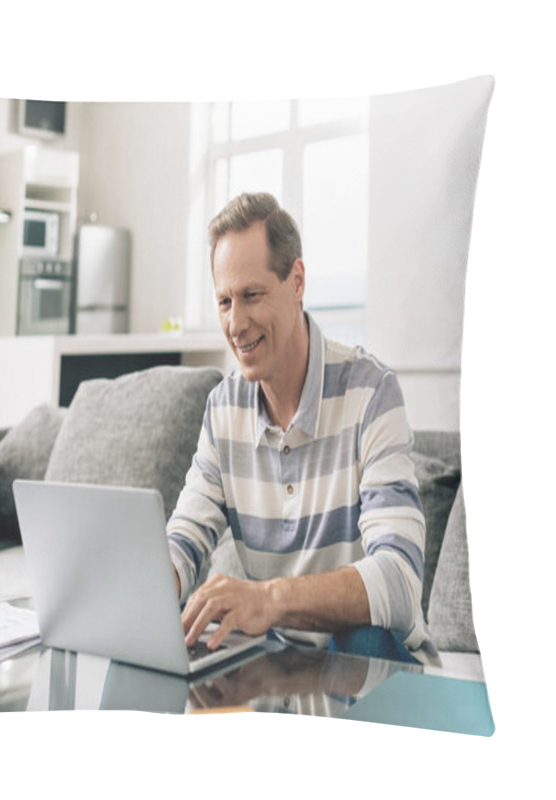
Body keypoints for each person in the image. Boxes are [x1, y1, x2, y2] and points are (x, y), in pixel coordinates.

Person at [167, 192, 438, 665]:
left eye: (252, 296)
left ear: (296, 282)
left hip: (375, 664)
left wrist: (268, 600)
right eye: (225, 301)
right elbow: (184, 540)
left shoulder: (371, 394)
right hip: (275, 670)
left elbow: (399, 580)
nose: (236, 323)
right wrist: (148, 587)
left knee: (360, 639)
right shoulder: (223, 409)